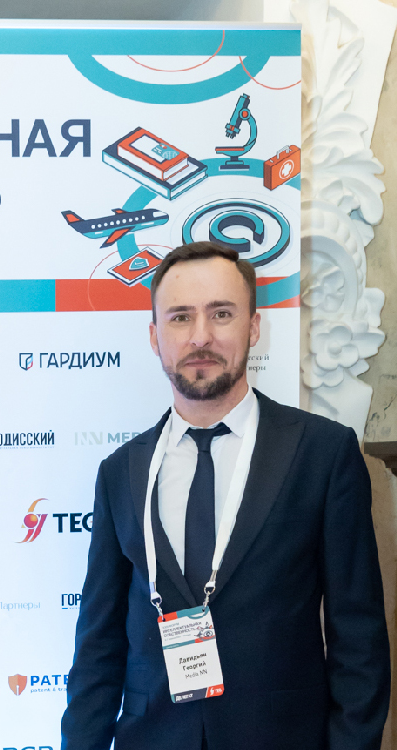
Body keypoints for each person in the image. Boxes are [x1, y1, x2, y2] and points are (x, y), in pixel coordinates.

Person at [61, 242, 389, 750]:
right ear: (155, 336)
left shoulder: (322, 454)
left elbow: (359, 641)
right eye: (180, 317)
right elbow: (98, 646)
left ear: (253, 327)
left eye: (221, 313)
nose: (201, 336)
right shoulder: (120, 473)